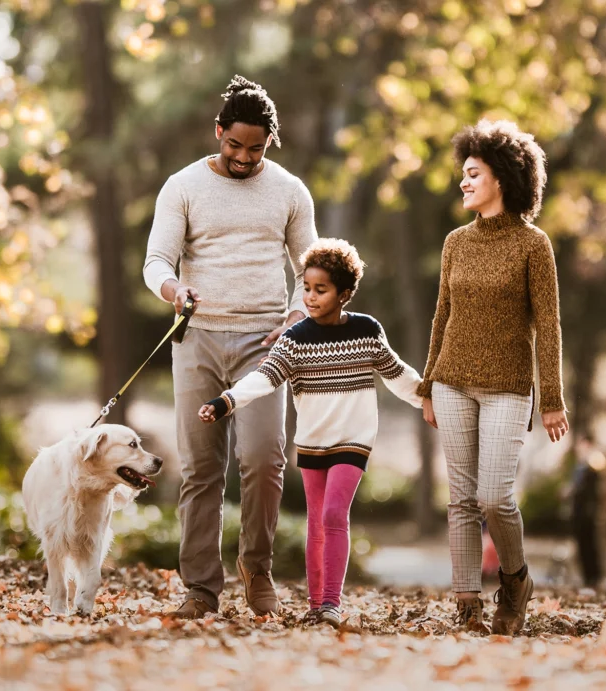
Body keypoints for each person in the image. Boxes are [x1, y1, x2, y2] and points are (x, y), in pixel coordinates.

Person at [143, 76, 318, 619]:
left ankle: (258, 569)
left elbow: (311, 268)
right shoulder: (183, 186)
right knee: (200, 468)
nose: (243, 157)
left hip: (264, 346)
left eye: (255, 148)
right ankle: (200, 586)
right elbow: (156, 263)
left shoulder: (289, 191)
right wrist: (176, 290)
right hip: (197, 339)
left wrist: (295, 316)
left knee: (264, 458)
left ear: (270, 142)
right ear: (218, 132)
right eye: (234, 145)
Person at [198, 239, 424, 628]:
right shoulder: (296, 338)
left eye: (321, 290)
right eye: (306, 288)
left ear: (345, 294)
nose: (311, 297)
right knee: (317, 521)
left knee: (335, 513)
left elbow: (397, 374)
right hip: (312, 441)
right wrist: (226, 401)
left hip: (353, 439)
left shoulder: (366, 330)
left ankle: (331, 604)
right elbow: (265, 378)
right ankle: (317, 606)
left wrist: (430, 399)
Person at [418, 119, 570, 636]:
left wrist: (551, 397)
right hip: (452, 382)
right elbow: (442, 316)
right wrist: (427, 384)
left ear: (501, 179)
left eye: (472, 174)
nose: (463, 182)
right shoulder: (455, 242)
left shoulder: (534, 246)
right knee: (460, 498)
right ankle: (467, 605)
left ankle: (515, 578)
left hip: (508, 387)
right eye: (463, 173)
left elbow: (548, 326)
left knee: (494, 498)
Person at [569, 432, 606, 588]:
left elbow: (592, 487)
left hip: (590, 511)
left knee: (592, 544)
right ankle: (587, 576)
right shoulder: (581, 463)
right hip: (580, 511)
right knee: (583, 544)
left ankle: (595, 577)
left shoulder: (594, 460)